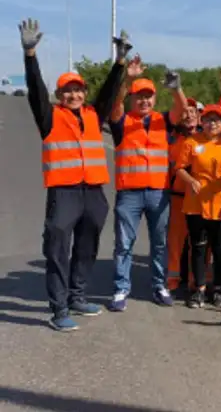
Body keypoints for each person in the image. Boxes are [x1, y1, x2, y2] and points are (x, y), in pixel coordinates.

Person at [20, 18, 128, 331]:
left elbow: (109, 90)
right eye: (67, 91)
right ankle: (59, 308)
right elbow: (35, 90)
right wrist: (30, 56)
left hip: (93, 192)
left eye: (78, 90)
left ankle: (77, 295)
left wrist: (120, 62)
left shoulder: (95, 114)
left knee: (86, 246)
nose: (74, 95)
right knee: (56, 248)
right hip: (64, 192)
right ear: (59, 94)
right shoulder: (49, 116)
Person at [107, 56, 187, 311]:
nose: (144, 101)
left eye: (148, 96)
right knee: (124, 243)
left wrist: (177, 90)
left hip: (158, 193)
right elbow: (114, 103)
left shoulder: (164, 121)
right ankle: (121, 289)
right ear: (132, 98)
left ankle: (159, 286)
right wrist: (127, 78)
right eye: (139, 96)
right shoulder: (121, 121)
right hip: (129, 194)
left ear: (154, 99)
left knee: (160, 242)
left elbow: (182, 111)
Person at [175, 104, 221, 308]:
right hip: (197, 203)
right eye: (208, 120)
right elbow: (179, 168)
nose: (212, 124)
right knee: (198, 248)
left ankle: (219, 289)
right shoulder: (191, 142)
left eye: (217, 120)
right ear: (201, 122)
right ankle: (199, 289)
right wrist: (190, 180)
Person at [166, 97, 208, 295]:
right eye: (186, 112)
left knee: (199, 242)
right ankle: (173, 277)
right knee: (176, 240)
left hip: (201, 198)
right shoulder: (172, 137)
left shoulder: (207, 137)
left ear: (200, 116)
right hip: (177, 196)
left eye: (193, 112)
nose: (190, 115)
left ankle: (197, 279)